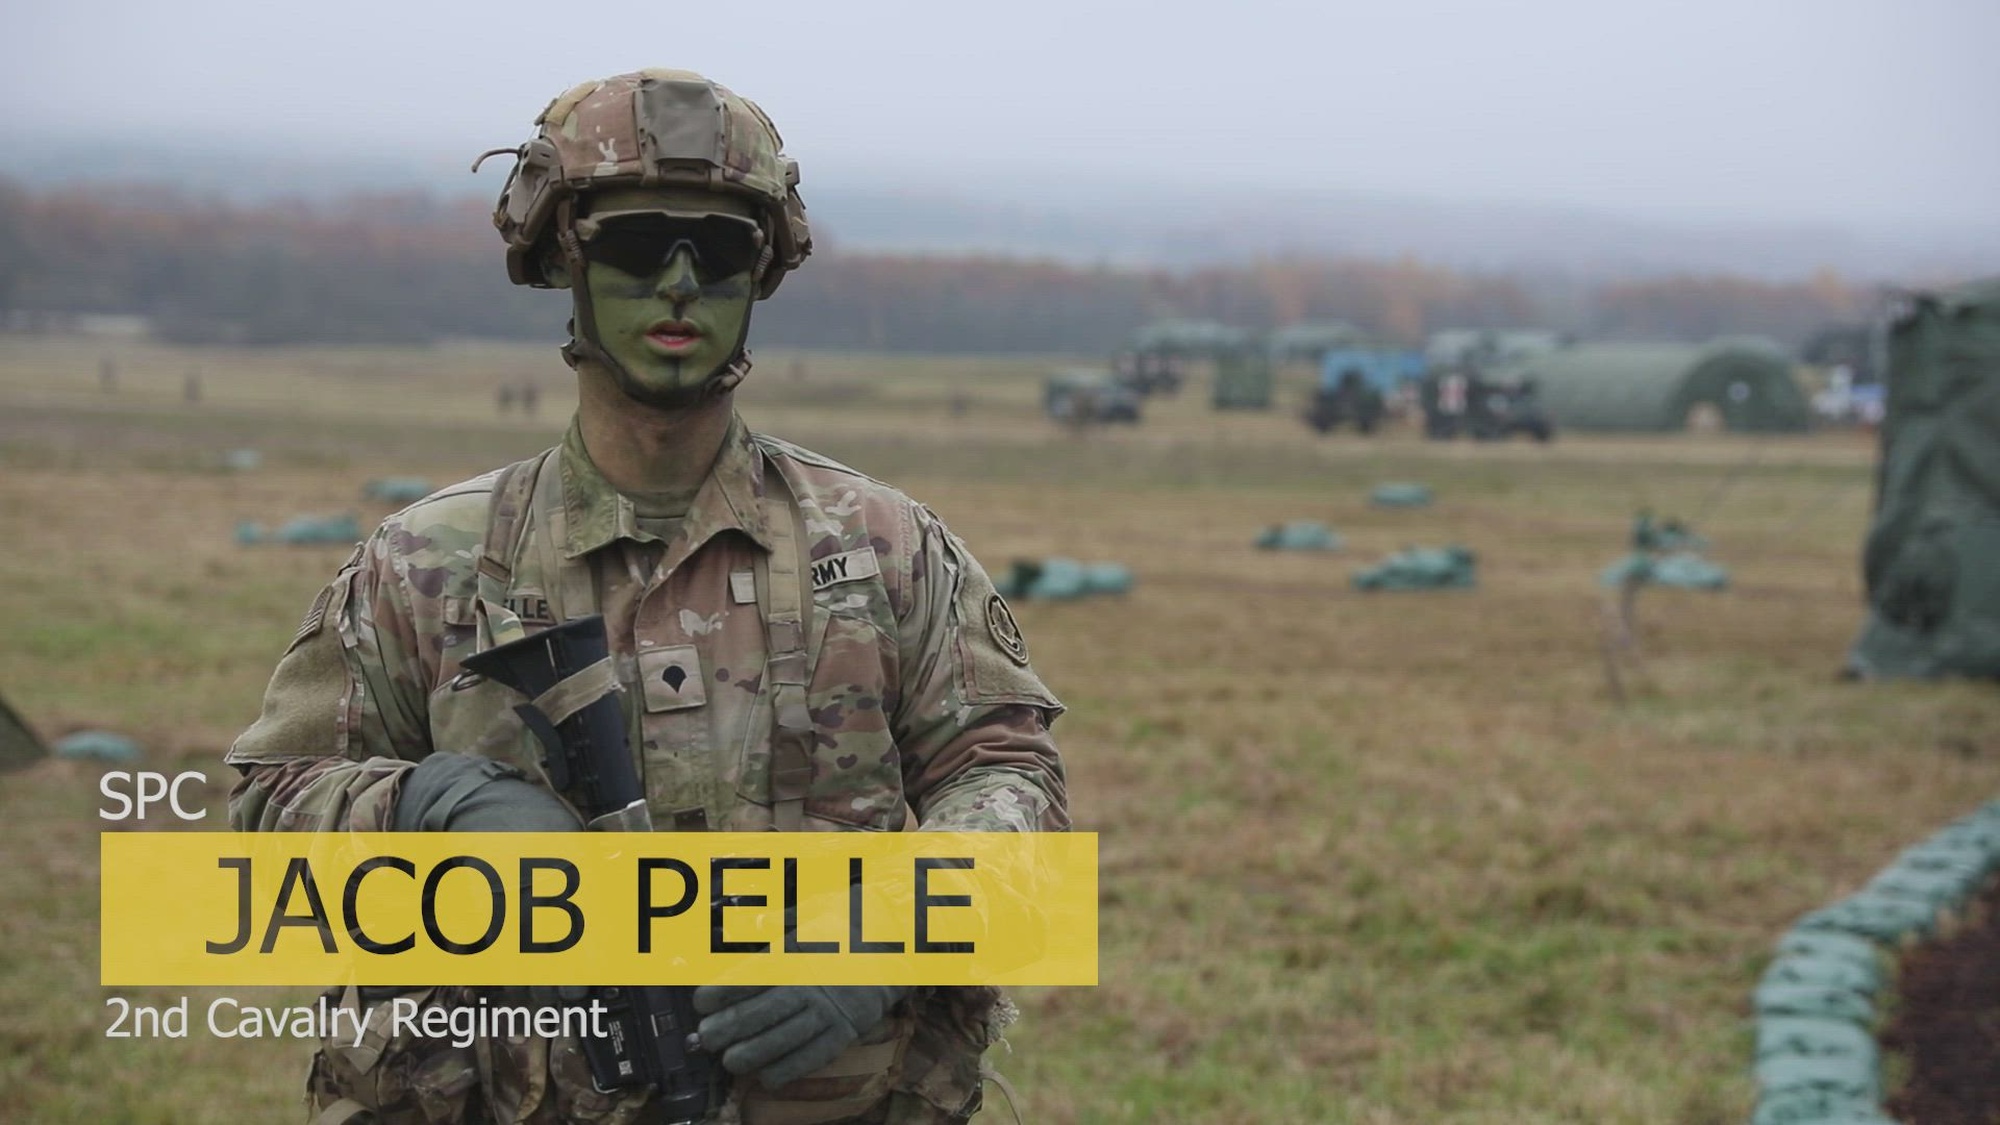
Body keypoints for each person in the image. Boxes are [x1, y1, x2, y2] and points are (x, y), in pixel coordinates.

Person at [224, 68, 1069, 1125]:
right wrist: (435, 810)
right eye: (634, 246)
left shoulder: (882, 549)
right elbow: (268, 807)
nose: (677, 286)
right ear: (563, 262)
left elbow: (1011, 788)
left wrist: (881, 940)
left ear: (758, 276)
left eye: (715, 253)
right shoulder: (429, 561)